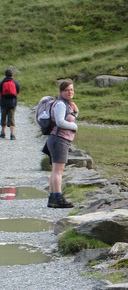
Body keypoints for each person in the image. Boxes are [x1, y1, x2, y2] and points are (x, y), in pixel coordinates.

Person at [45, 79, 78, 208]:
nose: (70, 92)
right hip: (59, 139)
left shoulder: (66, 104)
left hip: (57, 139)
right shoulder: (60, 104)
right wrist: (74, 126)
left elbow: (66, 118)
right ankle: (58, 198)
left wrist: (75, 113)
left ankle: (52, 198)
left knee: (55, 170)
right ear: (60, 91)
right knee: (58, 171)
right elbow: (59, 122)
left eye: (72, 89)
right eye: (67, 90)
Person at [0, 68, 20, 140]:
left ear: (5, 75)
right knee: (11, 118)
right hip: (12, 103)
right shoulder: (15, 82)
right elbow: (17, 91)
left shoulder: (2, 83)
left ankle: (3, 132)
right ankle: (12, 134)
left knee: (3, 117)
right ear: (12, 74)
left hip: (4, 103)